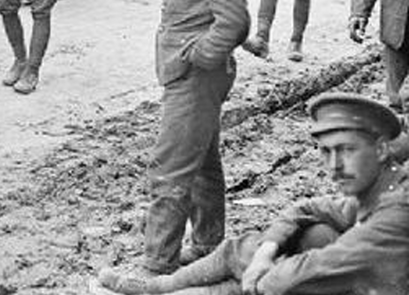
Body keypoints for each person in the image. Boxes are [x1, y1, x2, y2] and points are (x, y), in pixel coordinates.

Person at [96, 93, 409, 295]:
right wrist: (264, 252)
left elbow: (316, 268)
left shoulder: (398, 211)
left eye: (347, 150)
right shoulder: (378, 189)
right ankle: (161, 287)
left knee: (284, 271)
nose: (335, 166)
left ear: (382, 149)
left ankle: (170, 290)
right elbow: (306, 207)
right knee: (303, 236)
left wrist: (259, 274)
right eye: (326, 153)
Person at [100, 0, 249, 278]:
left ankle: (156, 264)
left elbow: (234, 22)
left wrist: (197, 56)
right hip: (189, 74)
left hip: (196, 77)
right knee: (202, 163)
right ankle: (206, 247)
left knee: (171, 168)